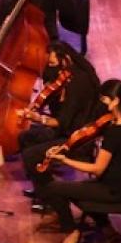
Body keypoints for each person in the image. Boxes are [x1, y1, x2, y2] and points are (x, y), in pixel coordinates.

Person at [36, 79, 121, 243]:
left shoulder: (116, 132)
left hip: (112, 190)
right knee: (79, 190)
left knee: (53, 188)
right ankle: (107, 230)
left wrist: (65, 160)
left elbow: (97, 169)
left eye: (104, 100)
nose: (102, 103)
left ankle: (72, 232)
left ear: (115, 100)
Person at [16, 41, 102, 200]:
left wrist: (38, 118)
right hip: (65, 128)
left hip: (75, 137)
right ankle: (41, 187)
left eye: (54, 63)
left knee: (30, 154)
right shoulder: (67, 75)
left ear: (66, 59)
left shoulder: (78, 83)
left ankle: (49, 195)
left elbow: (61, 122)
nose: (53, 68)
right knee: (24, 137)